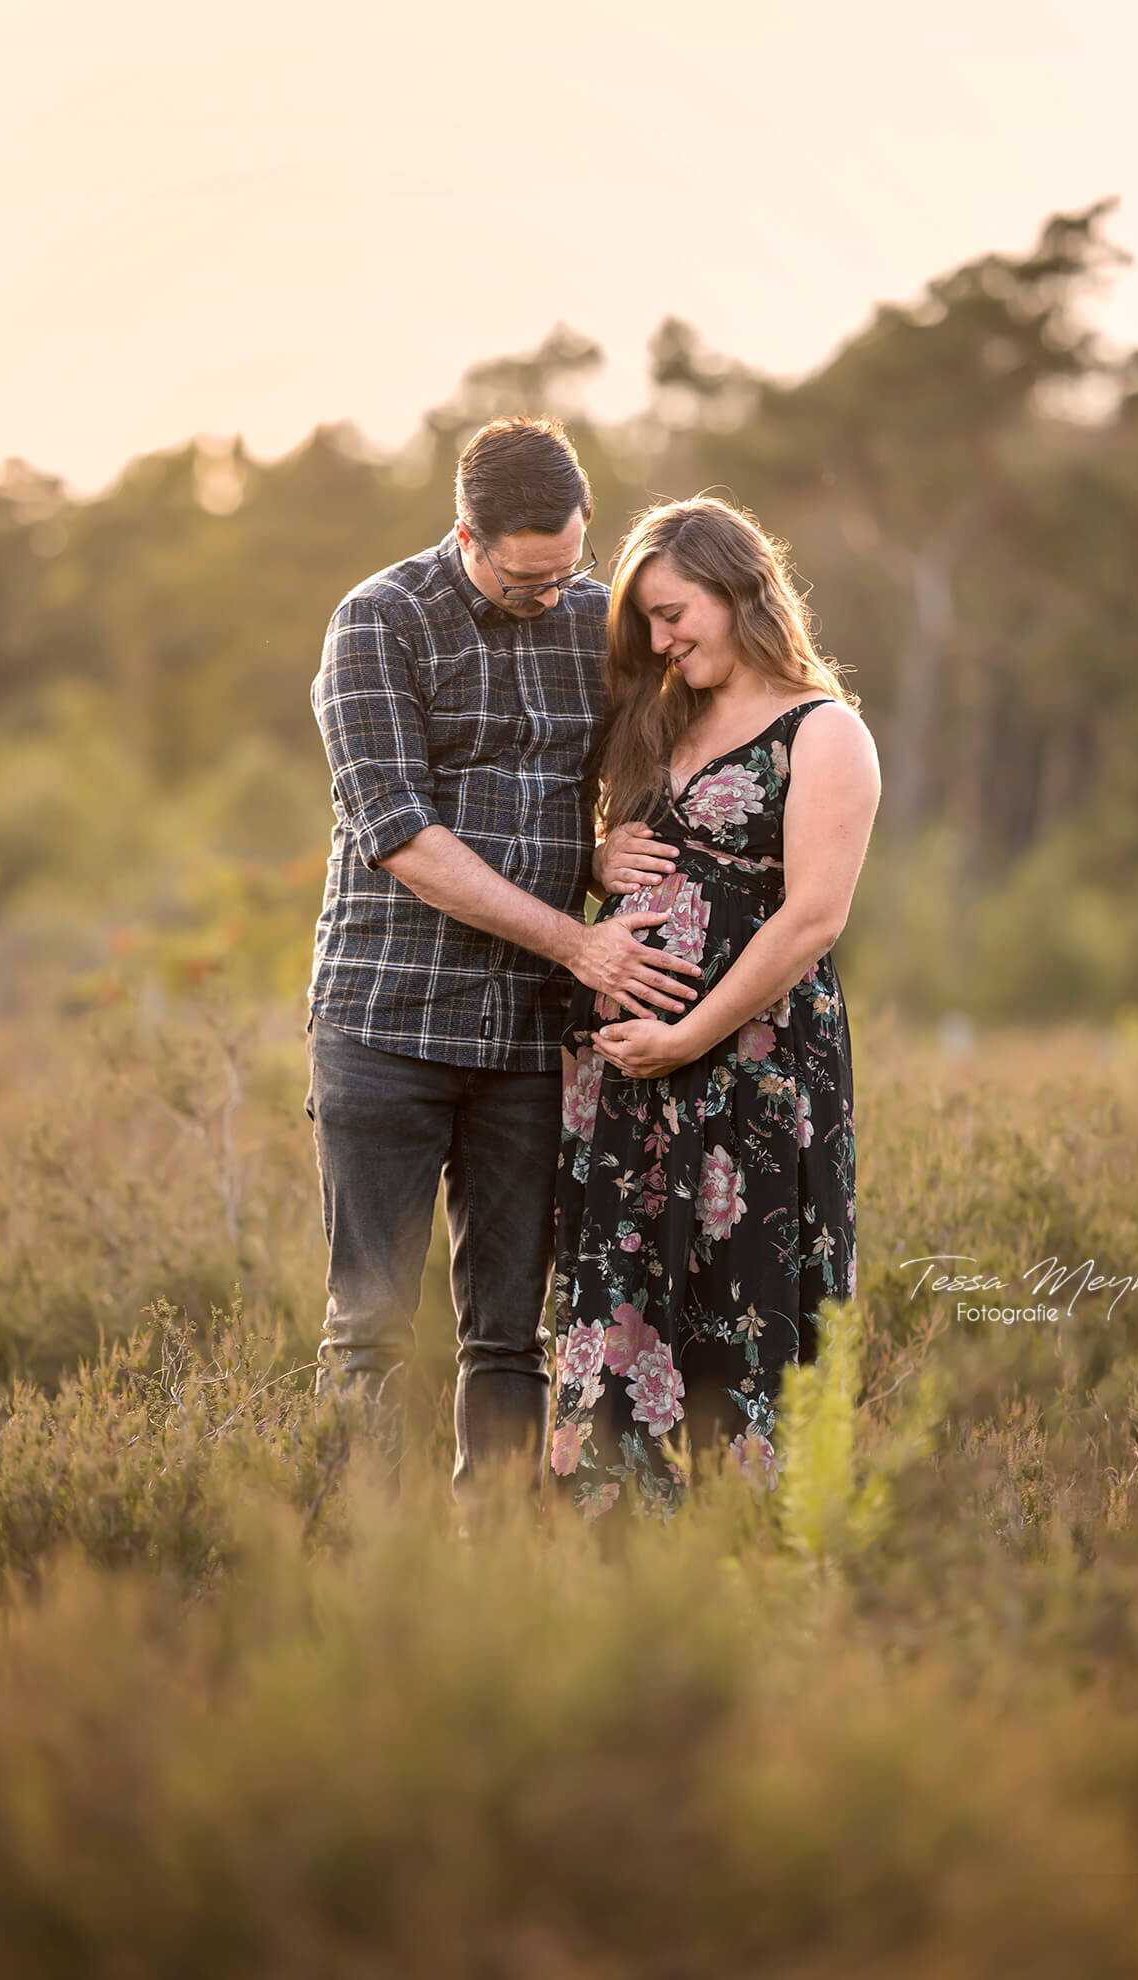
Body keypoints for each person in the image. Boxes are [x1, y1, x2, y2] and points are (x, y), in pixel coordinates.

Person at [305, 417, 695, 1497]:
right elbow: (406, 842)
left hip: (527, 1037)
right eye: (525, 581)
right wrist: (579, 939)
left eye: (567, 570)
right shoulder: (379, 624)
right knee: (371, 1331)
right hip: (385, 1024)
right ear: (465, 534)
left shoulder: (588, 617)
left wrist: (608, 838)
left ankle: (497, 1574)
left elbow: (645, 750)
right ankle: (365, 1563)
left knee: (508, 1333)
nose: (549, 595)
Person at [549, 497, 881, 1518]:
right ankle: (612, 1563)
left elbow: (810, 919)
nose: (659, 639)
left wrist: (689, 1035)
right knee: (619, 1299)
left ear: (740, 590)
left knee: (740, 1300)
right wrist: (597, 856)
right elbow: (613, 854)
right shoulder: (664, 718)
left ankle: (752, 1562)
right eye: (645, 621)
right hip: (625, 1076)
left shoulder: (822, 731)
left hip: (748, 1066)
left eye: (672, 611)